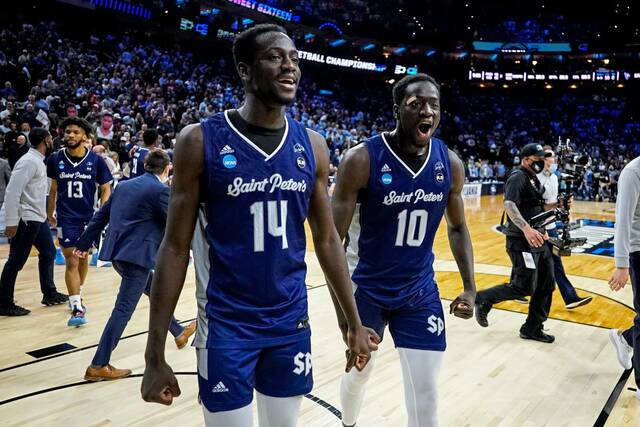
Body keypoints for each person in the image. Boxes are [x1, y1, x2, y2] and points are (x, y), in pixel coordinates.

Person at [141, 24, 375, 427]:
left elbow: (327, 240)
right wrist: (154, 352)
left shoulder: (312, 145)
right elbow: (175, 247)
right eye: (275, 57)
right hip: (226, 324)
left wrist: (352, 322)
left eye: (295, 59)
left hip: (290, 322)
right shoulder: (199, 141)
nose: (290, 67)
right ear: (245, 70)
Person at [330, 74, 476, 427]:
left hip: (419, 290)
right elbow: (332, 242)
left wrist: (470, 287)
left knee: (425, 390)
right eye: (416, 105)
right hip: (366, 288)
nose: (427, 111)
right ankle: (347, 422)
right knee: (361, 373)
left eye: (434, 105)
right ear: (397, 110)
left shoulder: (449, 163)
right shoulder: (361, 160)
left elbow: (457, 228)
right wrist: (347, 320)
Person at [73, 149, 195, 381]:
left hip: (119, 254)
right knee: (123, 310)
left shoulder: (124, 186)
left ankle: (178, 332)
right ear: (168, 168)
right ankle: (98, 364)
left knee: (157, 294)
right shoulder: (160, 190)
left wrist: (84, 241)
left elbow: (101, 215)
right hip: (137, 257)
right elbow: (175, 223)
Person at [475, 143, 556, 343]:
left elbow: (538, 207)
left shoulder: (533, 178)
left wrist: (558, 205)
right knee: (524, 287)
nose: (542, 162)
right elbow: (509, 204)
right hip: (522, 241)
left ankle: (533, 327)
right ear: (526, 160)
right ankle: (484, 297)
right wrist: (526, 229)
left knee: (546, 285)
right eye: (538, 159)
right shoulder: (517, 177)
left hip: (539, 239)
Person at [47, 117, 113, 327]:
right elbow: (53, 189)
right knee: (71, 260)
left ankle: (77, 292)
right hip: (66, 218)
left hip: (89, 218)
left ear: (85, 136)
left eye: (76, 132)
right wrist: (50, 213)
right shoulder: (55, 159)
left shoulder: (96, 161)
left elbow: (106, 188)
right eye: (67, 132)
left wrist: (103, 211)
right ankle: (76, 306)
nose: (71, 135)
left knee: (83, 259)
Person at [0, 128, 67, 316]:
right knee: (16, 261)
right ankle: (4, 302)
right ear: (46, 140)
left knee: (48, 252)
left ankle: (49, 293)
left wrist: (47, 213)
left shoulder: (38, 160)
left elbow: (36, 193)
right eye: (50, 138)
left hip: (38, 218)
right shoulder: (28, 161)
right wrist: (12, 222)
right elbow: (13, 191)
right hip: (26, 219)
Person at [537, 145, 592, 309]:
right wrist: (557, 204)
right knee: (531, 262)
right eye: (550, 156)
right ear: (542, 159)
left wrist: (566, 203)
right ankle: (517, 289)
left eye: (554, 156)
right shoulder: (534, 178)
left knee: (555, 262)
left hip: (551, 225)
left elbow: (555, 203)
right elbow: (538, 207)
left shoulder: (554, 177)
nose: (554, 160)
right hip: (538, 226)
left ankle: (570, 297)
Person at [608, 155, 640, 387]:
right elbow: (622, 220)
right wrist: (622, 264)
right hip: (638, 250)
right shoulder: (633, 172)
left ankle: (626, 337)